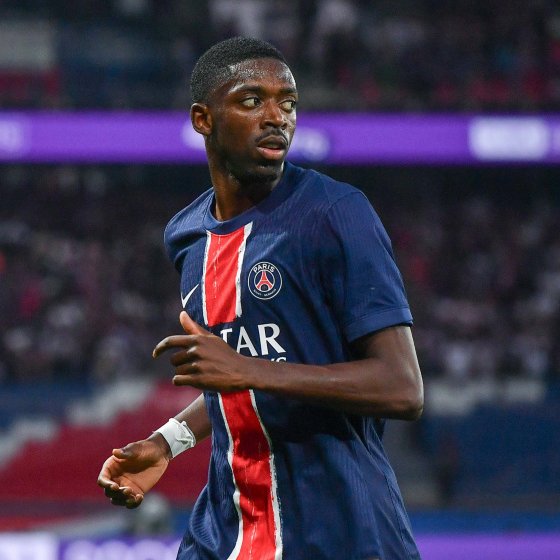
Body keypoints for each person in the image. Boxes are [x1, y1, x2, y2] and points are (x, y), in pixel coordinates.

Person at [97, 36, 424, 560]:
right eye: (252, 101)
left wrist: (248, 369)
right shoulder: (187, 236)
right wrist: (168, 442)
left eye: (288, 103)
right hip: (226, 531)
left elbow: (402, 387)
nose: (277, 118)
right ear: (203, 119)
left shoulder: (336, 213)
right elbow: (234, 380)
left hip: (338, 532)